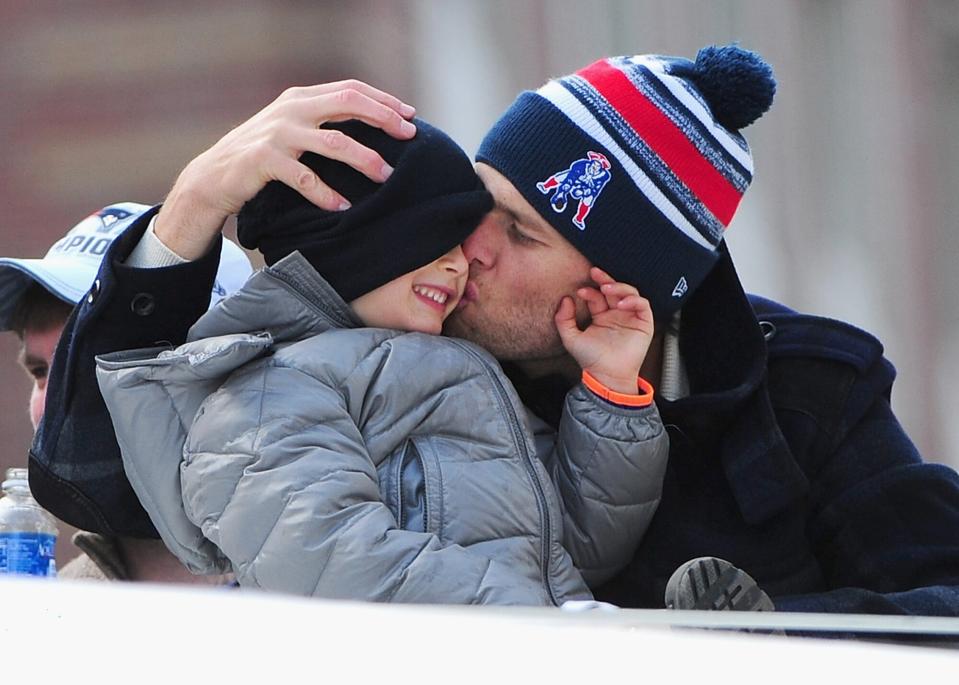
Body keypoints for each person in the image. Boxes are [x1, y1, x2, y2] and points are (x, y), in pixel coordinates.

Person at [33, 45, 959, 614]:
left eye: (520, 232)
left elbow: (940, 597)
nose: (463, 249)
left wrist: (734, 643)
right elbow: (105, 488)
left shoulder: (809, 390)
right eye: (480, 202)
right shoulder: (409, 344)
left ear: (617, 281)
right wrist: (187, 216)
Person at [92, 119, 667, 603]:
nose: (459, 267)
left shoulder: (471, 373)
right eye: (431, 245)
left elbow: (576, 549)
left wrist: (612, 391)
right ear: (358, 246)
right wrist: (533, 620)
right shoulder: (268, 390)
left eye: (458, 247)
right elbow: (329, 561)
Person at [0, 202, 253, 581]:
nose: (55, 403)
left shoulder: (335, 570)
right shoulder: (52, 607)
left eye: (89, 364)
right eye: (40, 371)